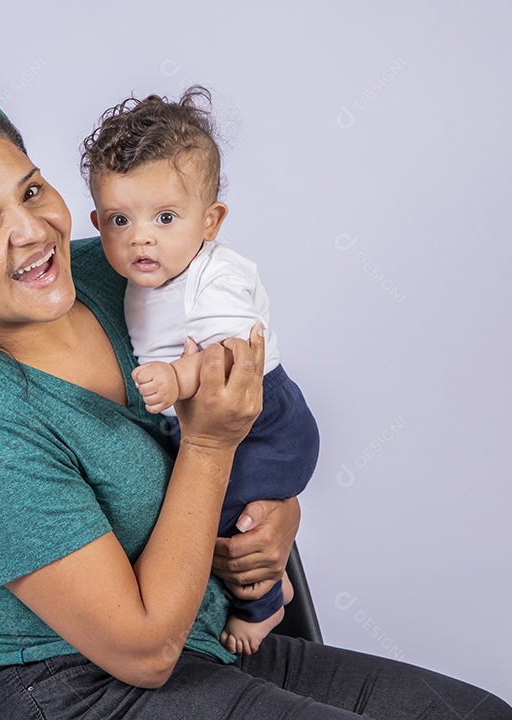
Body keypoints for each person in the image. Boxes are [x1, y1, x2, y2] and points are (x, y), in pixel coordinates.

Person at [0, 87, 512, 720]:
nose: (31, 233)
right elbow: (144, 649)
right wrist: (210, 448)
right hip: (69, 689)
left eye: (30, 192)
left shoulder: (115, 270)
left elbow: (253, 404)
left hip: (202, 641)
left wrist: (278, 510)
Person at [82, 87, 320, 655]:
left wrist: (176, 380)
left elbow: (233, 362)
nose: (141, 236)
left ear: (210, 221)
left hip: (262, 419)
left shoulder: (214, 278)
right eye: (120, 219)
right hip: (208, 423)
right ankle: (271, 583)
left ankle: (263, 607)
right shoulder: (143, 272)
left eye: (165, 217)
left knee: (219, 514)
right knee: (201, 513)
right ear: (97, 221)